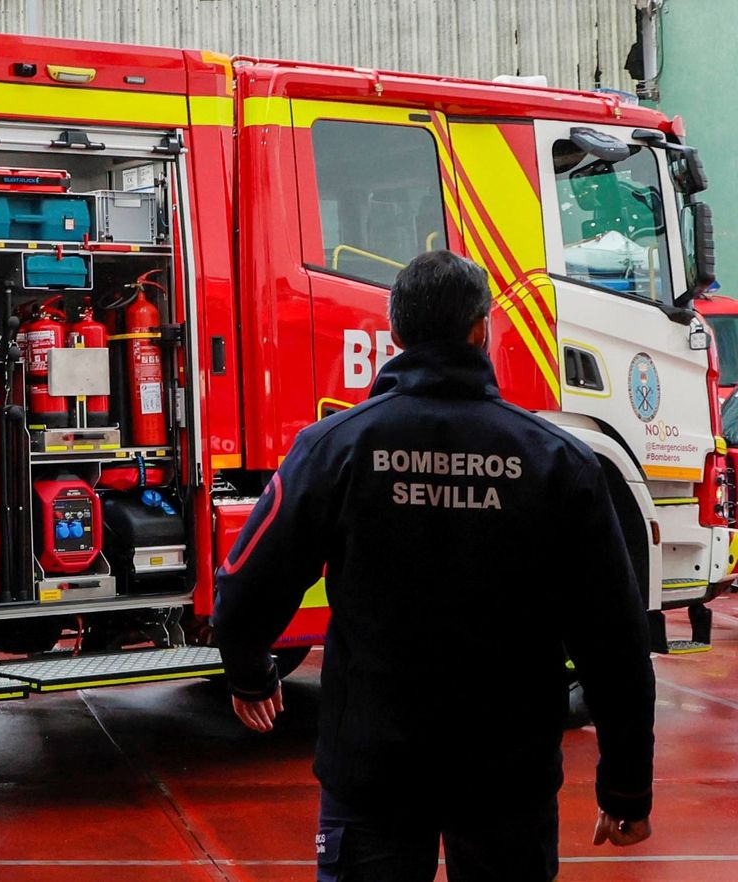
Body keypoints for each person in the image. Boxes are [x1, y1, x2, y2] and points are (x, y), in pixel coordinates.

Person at [211, 251, 655, 881]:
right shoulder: (559, 462)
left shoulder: (335, 447)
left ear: (395, 335)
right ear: (482, 330)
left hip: (372, 767)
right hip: (508, 773)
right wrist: (627, 787)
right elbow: (614, 639)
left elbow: (248, 579)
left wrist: (251, 674)